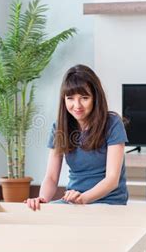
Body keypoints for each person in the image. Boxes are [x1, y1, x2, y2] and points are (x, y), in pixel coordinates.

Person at [26, 64, 128, 210]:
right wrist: (42, 200)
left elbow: (112, 180)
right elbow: (51, 177)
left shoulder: (112, 123)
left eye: (84, 98)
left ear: (95, 98)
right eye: (70, 98)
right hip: (74, 201)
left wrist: (82, 199)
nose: (77, 105)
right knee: (40, 218)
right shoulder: (59, 127)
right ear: (64, 99)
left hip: (108, 202)